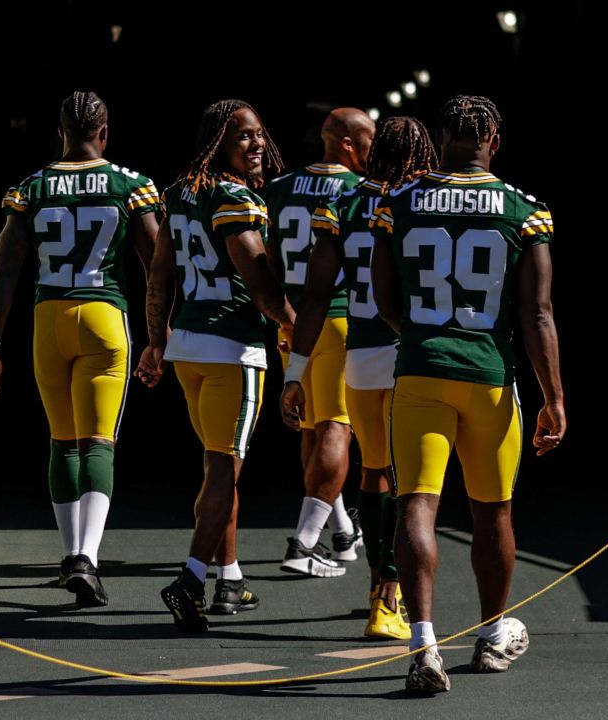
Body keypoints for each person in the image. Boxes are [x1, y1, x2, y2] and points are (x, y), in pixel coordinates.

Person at [369, 96, 567, 693]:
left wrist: (426, 340)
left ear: (440, 137)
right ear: (495, 142)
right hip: (488, 374)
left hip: (422, 367)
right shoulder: (522, 208)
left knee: (416, 504)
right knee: (493, 510)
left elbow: (383, 300)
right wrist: (554, 396)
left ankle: (423, 641)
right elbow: (536, 313)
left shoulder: (397, 201)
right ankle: (489, 633)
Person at [0, 91, 161, 607]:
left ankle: (68, 555)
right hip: (104, 315)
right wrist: (159, 337)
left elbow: (3, 269)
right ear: (104, 132)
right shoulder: (130, 183)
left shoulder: (33, 187)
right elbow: (157, 265)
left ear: (59, 131)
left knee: (62, 441)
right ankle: (87, 556)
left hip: (48, 317)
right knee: (99, 441)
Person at [135, 99, 292, 631]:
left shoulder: (179, 193)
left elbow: (160, 274)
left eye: (260, 134)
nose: (258, 144)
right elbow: (260, 282)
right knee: (226, 466)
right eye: (244, 137)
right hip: (233, 347)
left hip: (190, 350)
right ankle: (191, 577)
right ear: (217, 144)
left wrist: (157, 341)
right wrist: (294, 326)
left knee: (219, 465)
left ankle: (229, 576)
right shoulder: (232, 196)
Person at [283, 116, 437, 639]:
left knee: (375, 474)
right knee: (414, 486)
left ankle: (380, 596)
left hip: (363, 355)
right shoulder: (424, 199)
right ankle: (395, 599)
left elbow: (316, 293)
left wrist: (295, 371)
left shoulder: (344, 203)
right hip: (414, 355)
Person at [262, 108, 375, 577]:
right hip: (336, 316)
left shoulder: (279, 187)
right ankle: (305, 541)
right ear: (348, 144)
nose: (374, 149)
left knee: (312, 427)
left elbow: (267, 258)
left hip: (290, 319)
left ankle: (342, 527)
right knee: (336, 427)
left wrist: (283, 316)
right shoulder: (357, 191)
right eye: (369, 139)